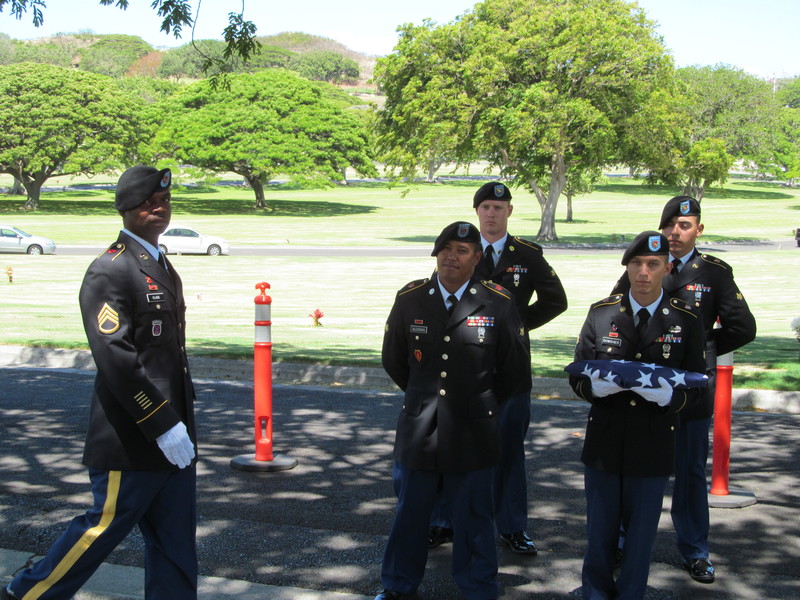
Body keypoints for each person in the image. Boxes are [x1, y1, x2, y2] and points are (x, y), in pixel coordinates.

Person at [2, 166, 198, 600]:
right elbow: (115, 357)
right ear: (126, 209)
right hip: (133, 432)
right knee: (101, 529)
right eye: (148, 203)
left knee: (175, 543)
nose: (159, 208)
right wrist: (162, 422)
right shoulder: (110, 269)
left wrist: (177, 422)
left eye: (164, 201)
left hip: (175, 431)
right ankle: (27, 593)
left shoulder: (159, 262)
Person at [376, 222, 530, 600]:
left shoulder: (497, 301)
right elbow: (394, 360)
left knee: (475, 516)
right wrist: (425, 395)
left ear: (476, 258)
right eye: (446, 248)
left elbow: (514, 371)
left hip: (474, 428)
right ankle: (397, 585)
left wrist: (479, 402)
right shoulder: (411, 298)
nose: (452, 256)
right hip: (420, 427)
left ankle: (478, 587)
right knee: (411, 513)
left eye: (462, 250)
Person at [612, 196, 756, 583]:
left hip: (690, 390)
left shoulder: (713, 272)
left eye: (684, 225)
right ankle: (622, 543)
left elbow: (743, 328)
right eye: (670, 224)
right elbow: (617, 311)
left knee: (690, 474)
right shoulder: (645, 263)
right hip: (643, 390)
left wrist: (700, 349)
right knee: (634, 469)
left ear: (698, 230)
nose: (675, 232)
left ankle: (695, 550)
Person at [428, 181, 567, 555]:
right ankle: (443, 520)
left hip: (510, 369)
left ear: (509, 212)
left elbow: (556, 301)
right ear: (477, 211)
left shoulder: (527, 254)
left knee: (508, 451)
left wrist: (516, 328)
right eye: (486, 207)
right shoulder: (459, 250)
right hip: (462, 366)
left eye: (498, 207)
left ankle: (512, 527)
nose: (492, 213)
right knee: (450, 443)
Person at [570, 231, 707, 600]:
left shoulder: (685, 319)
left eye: (652, 264)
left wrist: (671, 397)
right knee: (599, 531)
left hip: (653, 441)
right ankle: (595, 593)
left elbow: (698, 387)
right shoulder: (602, 313)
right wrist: (594, 389)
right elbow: (577, 374)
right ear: (627, 267)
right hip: (606, 439)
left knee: (641, 535)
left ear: (666, 268)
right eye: (636, 264)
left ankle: (631, 593)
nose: (643, 272)